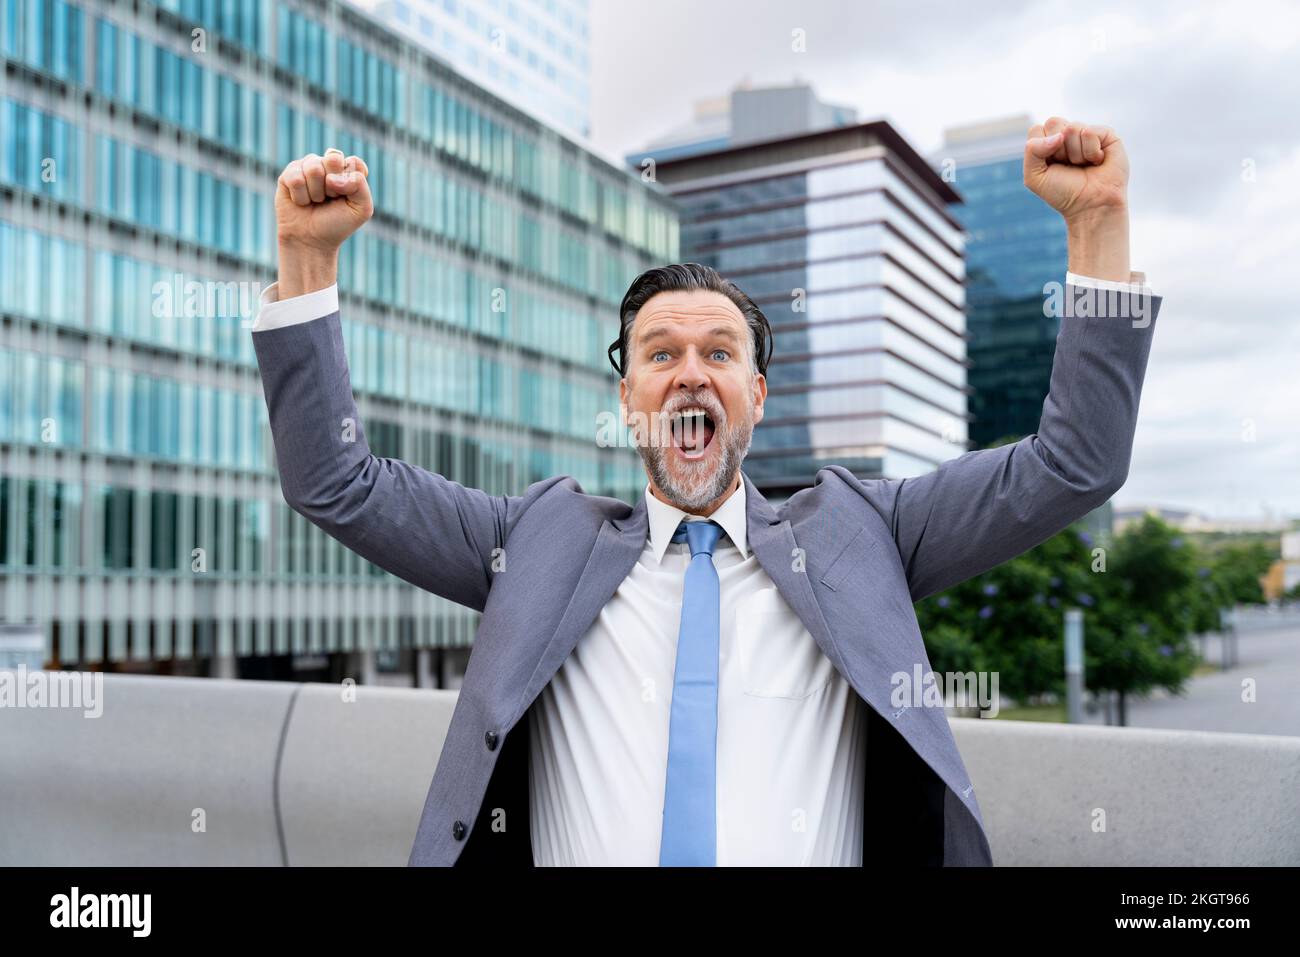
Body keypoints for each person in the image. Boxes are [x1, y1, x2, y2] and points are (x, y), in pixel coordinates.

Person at [252, 118, 1161, 866]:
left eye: (719, 354)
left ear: (756, 397)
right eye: (661, 354)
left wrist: (1097, 228)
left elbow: (1072, 461)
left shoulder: (865, 530)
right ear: (628, 397)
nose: (691, 375)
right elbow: (337, 481)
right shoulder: (533, 538)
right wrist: (304, 261)